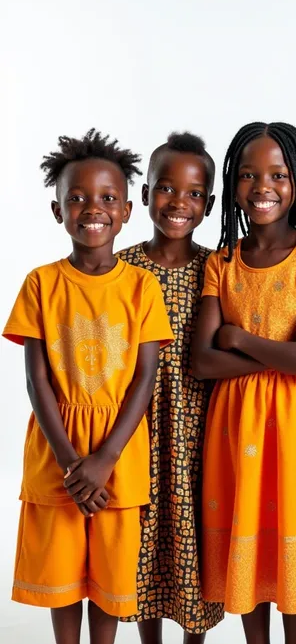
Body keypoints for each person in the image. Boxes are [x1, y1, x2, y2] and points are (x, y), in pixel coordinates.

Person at [3, 129, 173, 644]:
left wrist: (104, 460)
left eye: (106, 199)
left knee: (109, 582)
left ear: (125, 211)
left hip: (118, 453)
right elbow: (36, 378)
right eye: (75, 199)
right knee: (61, 580)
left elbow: (145, 379)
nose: (90, 209)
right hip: (58, 451)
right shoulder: (40, 282)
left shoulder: (143, 286)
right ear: (57, 211)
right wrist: (70, 461)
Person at [192, 122, 296, 644]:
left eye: (278, 174)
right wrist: (283, 353)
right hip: (235, 430)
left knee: (293, 560)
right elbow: (202, 363)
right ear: (233, 183)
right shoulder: (223, 262)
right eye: (250, 175)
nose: (264, 187)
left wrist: (237, 336)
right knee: (248, 551)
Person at [117, 132, 224, 643]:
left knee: (192, 540)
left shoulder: (218, 268)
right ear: (144, 195)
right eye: (165, 188)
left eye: (194, 193)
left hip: (200, 428)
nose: (178, 202)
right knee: (143, 541)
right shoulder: (123, 267)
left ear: (208, 204)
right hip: (136, 429)